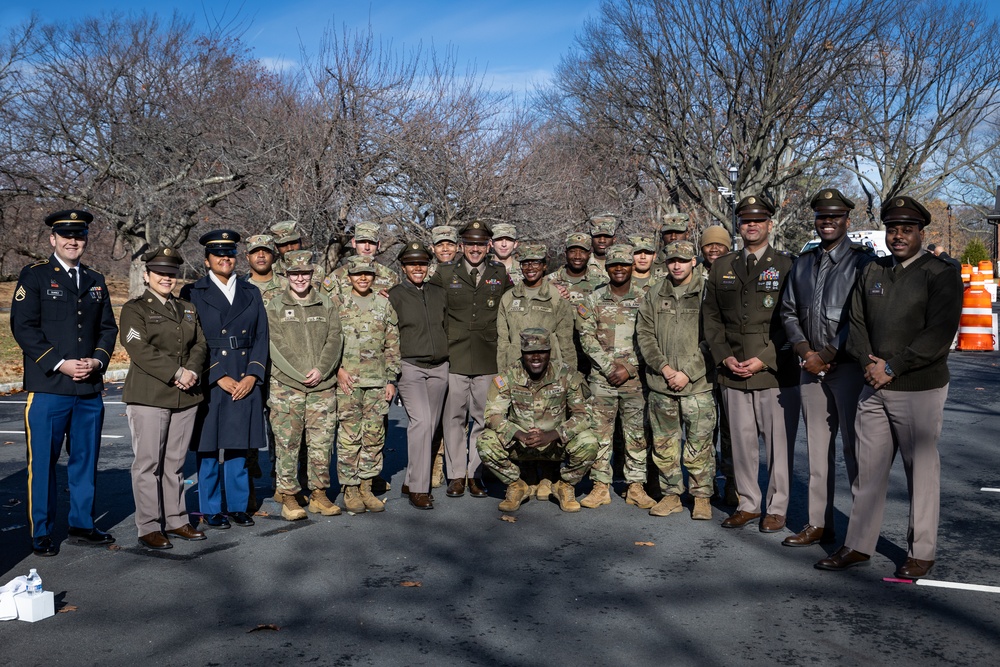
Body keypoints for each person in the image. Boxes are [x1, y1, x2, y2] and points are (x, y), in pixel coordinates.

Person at [816, 196, 963, 579]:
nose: (898, 236)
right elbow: (857, 323)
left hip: (919, 388)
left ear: (920, 233)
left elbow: (938, 334)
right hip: (873, 385)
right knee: (868, 472)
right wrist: (869, 363)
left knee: (921, 472)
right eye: (892, 229)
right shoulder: (874, 271)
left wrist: (894, 367)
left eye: (907, 229)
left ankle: (921, 552)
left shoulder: (940, 272)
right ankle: (858, 544)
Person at [11, 209, 118, 556]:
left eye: (80, 235)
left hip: (88, 388)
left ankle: (82, 524)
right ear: (53, 239)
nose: (74, 241)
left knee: (85, 460)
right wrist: (60, 364)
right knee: (42, 463)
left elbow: (107, 328)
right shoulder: (36, 276)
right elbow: (23, 327)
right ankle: (40, 531)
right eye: (67, 235)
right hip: (49, 387)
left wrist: (97, 361)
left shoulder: (96, 279)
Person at [701, 194, 800, 533]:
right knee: (741, 445)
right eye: (745, 220)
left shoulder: (787, 265)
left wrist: (764, 359)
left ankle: (777, 507)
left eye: (758, 220)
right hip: (733, 370)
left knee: (778, 447)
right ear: (739, 226)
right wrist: (724, 356)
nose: (751, 225)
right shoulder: (722, 266)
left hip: (774, 371)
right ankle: (748, 503)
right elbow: (711, 319)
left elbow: (794, 321)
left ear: (770, 224)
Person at [779, 189, 872, 547]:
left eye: (834, 216)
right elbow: (788, 311)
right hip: (809, 366)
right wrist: (805, 351)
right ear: (815, 220)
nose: (828, 221)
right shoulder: (803, 263)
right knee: (818, 449)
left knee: (854, 450)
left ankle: (859, 532)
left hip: (846, 366)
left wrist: (828, 353)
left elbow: (860, 318)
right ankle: (819, 523)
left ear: (847, 219)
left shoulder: (863, 263)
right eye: (822, 216)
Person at [119, 248, 208, 549]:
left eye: (171, 274)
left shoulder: (187, 308)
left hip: (186, 397)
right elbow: (139, 349)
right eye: (160, 273)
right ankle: (148, 526)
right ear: (147, 276)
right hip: (150, 395)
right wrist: (177, 373)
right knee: (148, 464)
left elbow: (200, 344)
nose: (166, 278)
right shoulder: (135, 309)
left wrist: (192, 371)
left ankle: (177, 519)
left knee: (175, 464)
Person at [182, 230, 269, 529]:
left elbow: (261, 336)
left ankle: (237, 505)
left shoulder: (250, 292)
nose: (225, 259)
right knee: (208, 448)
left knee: (237, 446)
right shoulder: (192, 292)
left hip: (245, 372)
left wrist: (253, 374)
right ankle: (210, 507)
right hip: (210, 375)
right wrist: (216, 374)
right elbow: (189, 340)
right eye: (218, 254)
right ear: (207, 260)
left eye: (230, 253)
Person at [430, 220, 512, 498]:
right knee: (453, 418)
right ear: (462, 245)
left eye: (480, 244)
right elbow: (426, 303)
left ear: (488, 245)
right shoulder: (443, 273)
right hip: (454, 355)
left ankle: (475, 474)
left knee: (482, 418)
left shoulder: (499, 273)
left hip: (488, 356)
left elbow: (514, 303)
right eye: (470, 244)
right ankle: (455, 475)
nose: (475, 249)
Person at [478, 328, 599, 513]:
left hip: (555, 445)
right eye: (529, 352)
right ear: (522, 353)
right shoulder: (507, 376)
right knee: (485, 441)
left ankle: (564, 485)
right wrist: (518, 434)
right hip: (521, 444)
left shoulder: (567, 374)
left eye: (541, 352)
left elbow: (584, 415)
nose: (536, 357)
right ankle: (516, 485)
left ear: (549, 353)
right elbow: (492, 415)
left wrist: (554, 434)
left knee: (589, 442)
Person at [637, 241, 716, 520]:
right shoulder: (655, 292)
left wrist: (687, 373)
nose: (677, 265)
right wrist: (666, 369)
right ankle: (671, 495)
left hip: (698, 385)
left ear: (693, 261)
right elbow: (644, 334)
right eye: (672, 260)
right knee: (664, 444)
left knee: (699, 444)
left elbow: (713, 338)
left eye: (682, 260)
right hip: (662, 384)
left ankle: (702, 497)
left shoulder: (708, 290)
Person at [263, 250, 344, 520]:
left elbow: (335, 338)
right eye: (295, 273)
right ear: (286, 275)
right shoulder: (274, 306)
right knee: (288, 443)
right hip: (287, 387)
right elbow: (275, 344)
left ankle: (319, 495)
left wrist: (321, 370)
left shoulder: (326, 304)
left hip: (322, 386)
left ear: (312, 274)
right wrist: (300, 373)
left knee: (321, 444)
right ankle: (289, 496)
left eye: (305, 273)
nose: (300, 278)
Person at [576, 245, 655, 511]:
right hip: (601, 379)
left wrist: (630, 367)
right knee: (600, 434)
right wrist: (609, 367)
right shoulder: (593, 299)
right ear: (607, 268)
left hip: (634, 381)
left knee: (636, 435)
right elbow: (586, 337)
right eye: (613, 265)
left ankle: (635, 486)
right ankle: (600, 486)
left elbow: (650, 339)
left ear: (632, 266)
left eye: (624, 264)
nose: (619, 269)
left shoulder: (646, 298)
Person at [334, 256, 401, 514]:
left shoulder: (383, 304)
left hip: (376, 382)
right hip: (347, 382)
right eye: (357, 274)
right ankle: (350, 488)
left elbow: (393, 344)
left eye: (368, 274)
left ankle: (366, 485)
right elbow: (329, 343)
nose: (363, 278)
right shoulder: (338, 303)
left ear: (374, 276)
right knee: (350, 436)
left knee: (374, 436)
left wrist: (391, 379)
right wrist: (337, 370)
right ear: (349, 276)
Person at [388, 242, 450, 510]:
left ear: (428, 266)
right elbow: (388, 336)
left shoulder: (439, 292)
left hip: (440, 367)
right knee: (421, 423)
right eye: (412, 264)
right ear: (403, 268)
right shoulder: (393, 295)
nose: (417, 268)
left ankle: (411, 479)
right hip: (410, 367)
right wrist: (391, 375)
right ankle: (419, 489)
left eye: (422, 263)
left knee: (431, 426)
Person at [698, 224, 737, 506]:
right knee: (703, 428)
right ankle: (705, 483)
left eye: (719, 245)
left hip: (729, 360)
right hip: (699, 362)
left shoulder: (736, 271)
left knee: (731, 428)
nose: (714, 249)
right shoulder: (690, 273)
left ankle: (734, 483)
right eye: (709, 245)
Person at [496, 243, 576, 371]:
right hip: (515, 370)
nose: (530, 268)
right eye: (525, 263)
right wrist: (501, 373)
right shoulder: (508, 298)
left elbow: (566, 342)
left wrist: (571, 375)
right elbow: (503, 342)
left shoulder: (557, 297)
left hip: (550, 370)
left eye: (535, 263)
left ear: (544, 265)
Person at [321, 221, 398, 298]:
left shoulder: (392, 278)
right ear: (354, 243)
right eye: (362, 242)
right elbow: (324, 306)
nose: (367, 247)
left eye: (371, 242)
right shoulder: (336, 277)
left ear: (378, 245)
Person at [651, 213, 691, 280]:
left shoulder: (698, 264)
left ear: (687, 234)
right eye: (668, 232)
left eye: (678, 232)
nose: (673, 237)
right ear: (662, 235)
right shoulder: (651, 265)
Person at [588, 213, 618, 277]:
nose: (602, 240)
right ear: (591, 238)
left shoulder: (623, 264)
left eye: (607, 236)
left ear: (614, 239)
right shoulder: (582, 263)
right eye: (597, 236)